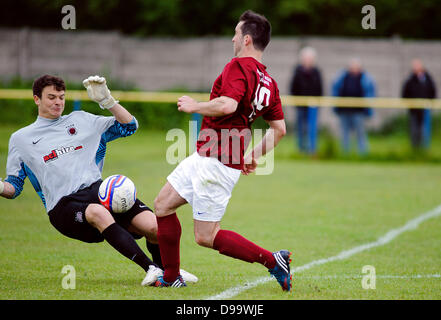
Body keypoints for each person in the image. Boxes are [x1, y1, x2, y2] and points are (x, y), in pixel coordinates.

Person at [0, 74, 196, 286]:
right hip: (63, 206)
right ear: (37, 99)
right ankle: (150, 268)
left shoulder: (81, 120)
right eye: (51, 97)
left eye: (61, 97)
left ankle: (170, 273)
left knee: (156, 228)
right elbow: (14, 187)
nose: (58, 102)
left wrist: (107, 101)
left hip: (99, 192)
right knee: (97, 212)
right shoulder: (21, 139)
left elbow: (129, 126)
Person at [153, 10, 292, 291]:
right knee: (162, 204)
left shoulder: (238, 67)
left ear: (248, 40)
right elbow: (279, 130)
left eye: (236, 33)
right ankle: (171, 276)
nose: (233, 38)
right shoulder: (269, 82)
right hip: (209, 156)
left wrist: (195, 105)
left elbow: (228, 105)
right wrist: (252, 155)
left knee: (206, 236)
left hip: (216, 162)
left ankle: (273, 261)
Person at [332, 58, 376, 155]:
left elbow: (370, 93)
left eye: (356, 67)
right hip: (344, 109)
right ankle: (345, 154)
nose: (354, 69)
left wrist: (368, 107)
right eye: (352, 66)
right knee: (345, 134)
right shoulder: (343, 77)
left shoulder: (365, 78)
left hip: (358, 110)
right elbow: (335, 90)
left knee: (360, 133)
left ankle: (363, 154)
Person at [289, 46, 323, 155]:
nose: (308, 60)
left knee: (312, 128)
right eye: (306, 58)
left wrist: (317, 101)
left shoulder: (316, 72)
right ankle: (301, 150)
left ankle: (312, 150)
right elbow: (293, 87)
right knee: (300, 129)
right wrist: (296, 101)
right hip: (300, 105)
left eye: (310, 58)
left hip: (313, 105)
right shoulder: (297, 71)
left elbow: (320, 88)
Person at [402, 59, 436, 149]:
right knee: (414, 131)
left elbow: (433, 91)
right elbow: (405, 93)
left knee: (425, 131)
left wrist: (430, 102)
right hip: (413, 109)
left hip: (425, 109)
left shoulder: (428, 79)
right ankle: (415, 150)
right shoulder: (410, 80)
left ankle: (425, 150)